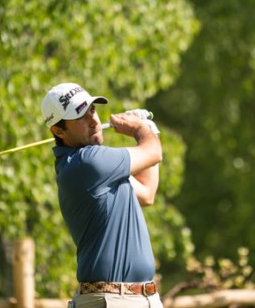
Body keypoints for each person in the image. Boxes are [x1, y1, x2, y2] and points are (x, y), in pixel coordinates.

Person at [41, 82, 164, 308]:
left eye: (92, 110)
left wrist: (148, 127)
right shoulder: (87, 163)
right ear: (58, 131)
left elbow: (147, 192)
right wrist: (139, 129)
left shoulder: (92, 169)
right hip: (113, 300)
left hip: (137, 298)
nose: (93, 121)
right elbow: (153, 152)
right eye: (80, 116)